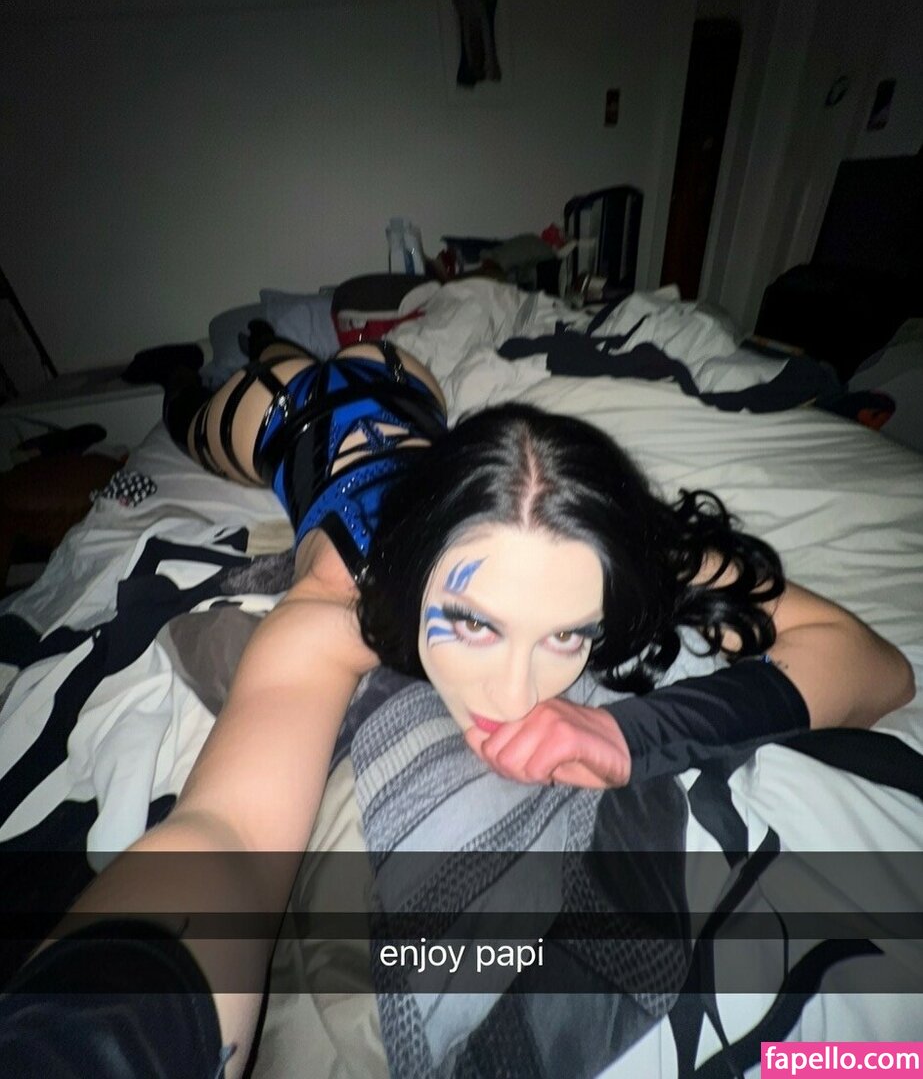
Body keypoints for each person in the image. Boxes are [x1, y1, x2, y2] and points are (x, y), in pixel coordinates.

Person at [1, 327, 914, 1078]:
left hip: (410, 390)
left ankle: (320, 346)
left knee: (385, 370)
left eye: (566, 637)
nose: (513, 696)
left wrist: (631, 730)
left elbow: (873, 667)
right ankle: (226, 360)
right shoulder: (338, 603)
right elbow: (229, 836)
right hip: (299, 421)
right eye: (473, 624)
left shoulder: (597, 545)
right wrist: (105, 1034)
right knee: (206, 409)